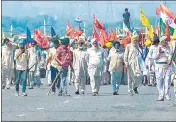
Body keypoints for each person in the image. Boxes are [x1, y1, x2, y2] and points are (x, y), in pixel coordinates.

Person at [155, 36, 172, 101]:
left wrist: (170, 60)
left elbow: (170, 54)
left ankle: (167, 95)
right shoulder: (157, 48)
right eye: (165, 40)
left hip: (167, 66)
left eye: (166, 40)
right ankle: (161, 95)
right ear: (161, 41)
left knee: (167, 81)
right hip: (159, 67)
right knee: (160, 82)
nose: (166, 41)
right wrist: (158, 52)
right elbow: (154, 57)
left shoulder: (169, 47)